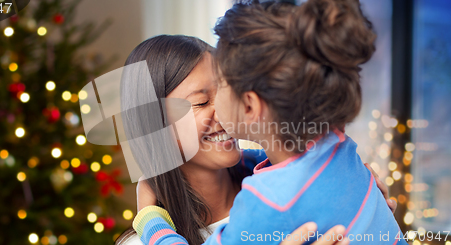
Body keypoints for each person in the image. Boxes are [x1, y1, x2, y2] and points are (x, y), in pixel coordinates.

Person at [132, 0, 407, 244]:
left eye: (224, 86)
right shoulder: (338, 146)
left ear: (250, 105)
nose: (218, 109)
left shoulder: (264, 204)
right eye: (202, 102)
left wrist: (150, 221)